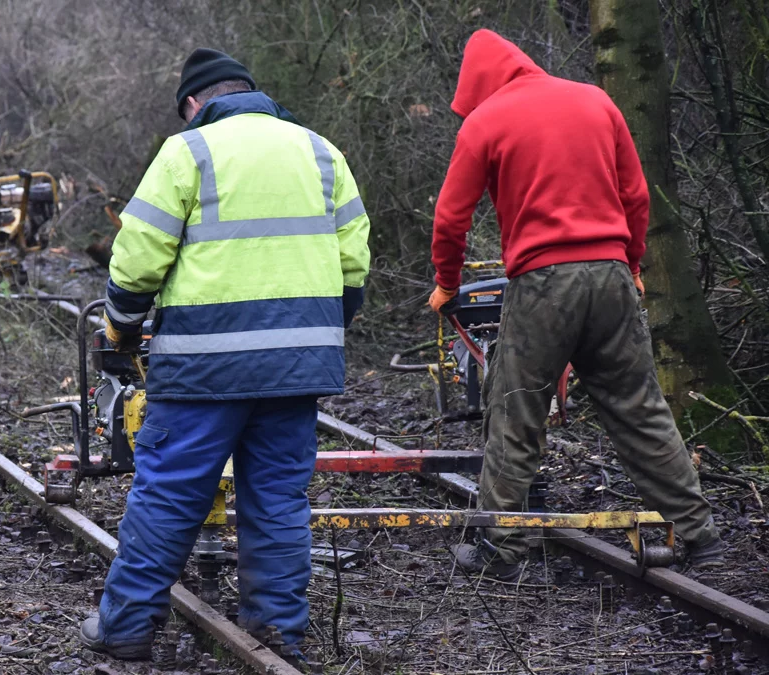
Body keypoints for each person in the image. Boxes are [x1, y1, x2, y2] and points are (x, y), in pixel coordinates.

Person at [79, 48, 372, 662]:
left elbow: (138, 259)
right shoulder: (321, 152)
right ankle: (278, 632)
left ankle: (127, 628)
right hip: (296, 368)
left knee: (168, 493)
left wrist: (122, 329)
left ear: (195, 103)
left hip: (203, 370)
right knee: (277, 499)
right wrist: (313, 334)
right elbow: (354, 266)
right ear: (250, 91)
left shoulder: (188, 152)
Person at [427, 29, 724, 580]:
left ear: (478, 84)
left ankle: (502, 550)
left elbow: (451, 219)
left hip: (542, 284)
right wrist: (632, 265)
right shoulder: (595, 99)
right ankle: (701, 538)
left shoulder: (486, 121)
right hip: (611, 276)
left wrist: (447, 283)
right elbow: (636, 196)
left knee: (515, 411)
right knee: (640, 407)